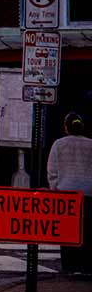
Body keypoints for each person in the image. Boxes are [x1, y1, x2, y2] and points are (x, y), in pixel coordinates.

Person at [47, 113, 92, 274]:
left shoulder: (59, 145)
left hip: (66, 193)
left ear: (66, 127)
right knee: (87, 232)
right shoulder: (90, 144)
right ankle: (86, 265)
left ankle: (69, 266)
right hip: (88, 193)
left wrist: (55, 189)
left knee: (67, 232)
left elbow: (52, 171)